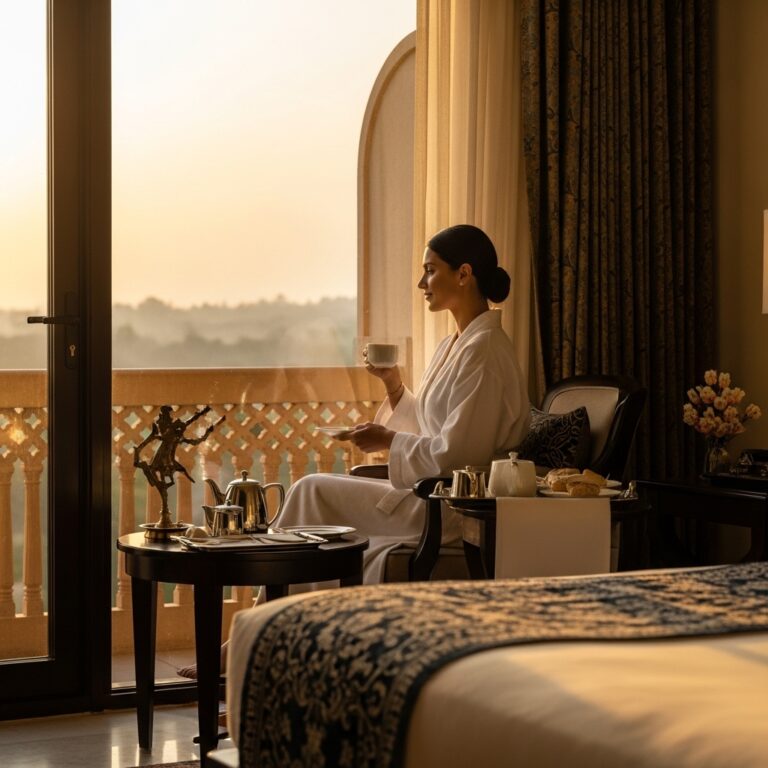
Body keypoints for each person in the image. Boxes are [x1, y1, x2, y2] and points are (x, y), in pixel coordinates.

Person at [177, 223, 530, 679]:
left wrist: (389, 441)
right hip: (425, 492)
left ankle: (253, 643)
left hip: (450, 507)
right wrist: (394, 387)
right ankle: (265, 642)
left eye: (430, 271)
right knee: (311, 494)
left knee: (311, 490)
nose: (422, 283)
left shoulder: (485, 352)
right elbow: (435, 427)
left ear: (464, 274)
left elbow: (458, 454)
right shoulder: (455, 344)